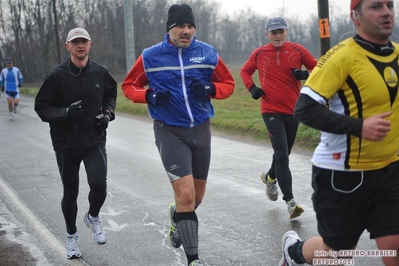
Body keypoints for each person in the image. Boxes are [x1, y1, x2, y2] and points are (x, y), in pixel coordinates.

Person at [279, 0, 399, 265]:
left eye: (389, 5)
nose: (386, 12)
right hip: (342, 174)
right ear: (355, 16)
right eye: (376, 6)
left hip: (390, 171)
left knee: (394, 248)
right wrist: (360, 127)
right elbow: (304, 109)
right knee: (336, 256)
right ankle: (295, 252)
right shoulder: (342, 56)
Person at [122, 4, 234, 266]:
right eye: (180, 26)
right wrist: (148, 96)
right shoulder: (151, 57)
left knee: (196, 198)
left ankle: (176, 217)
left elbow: (228, 85)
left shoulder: (207, 53)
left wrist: (209, 88)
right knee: (185, 195)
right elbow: (128, 86)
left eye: (190, 26)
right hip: (169, 129)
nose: (186, 31)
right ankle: (193, 259)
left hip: (201, 129)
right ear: (169, 29)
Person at [34, 27, 117, 259]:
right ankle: (71, 236)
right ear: (68, 46)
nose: (80, 45)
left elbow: (111, 93)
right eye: (75, 42)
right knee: (71, 192)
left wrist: (108, 114)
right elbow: (41, 107)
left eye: (84, 41)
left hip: (94, 141)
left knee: (99, 185)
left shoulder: (101, 72)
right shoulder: (56, 75)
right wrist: (66, 113)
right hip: (66, 144)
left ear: (90, 44)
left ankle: (93, 217)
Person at [240, 17, 317, 219]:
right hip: (270, 110)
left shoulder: (297, 50)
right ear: (267, 35)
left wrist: (305, 74)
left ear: (286, 32)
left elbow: (319, 67)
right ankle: (291, 202)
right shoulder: (259, 53)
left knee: (283, 153)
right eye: (273, 32)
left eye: (281, 31)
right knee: (282, 155)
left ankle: (270, 177)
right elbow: (245, 71)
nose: (278, 35)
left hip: (293, 111)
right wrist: (252, 88)